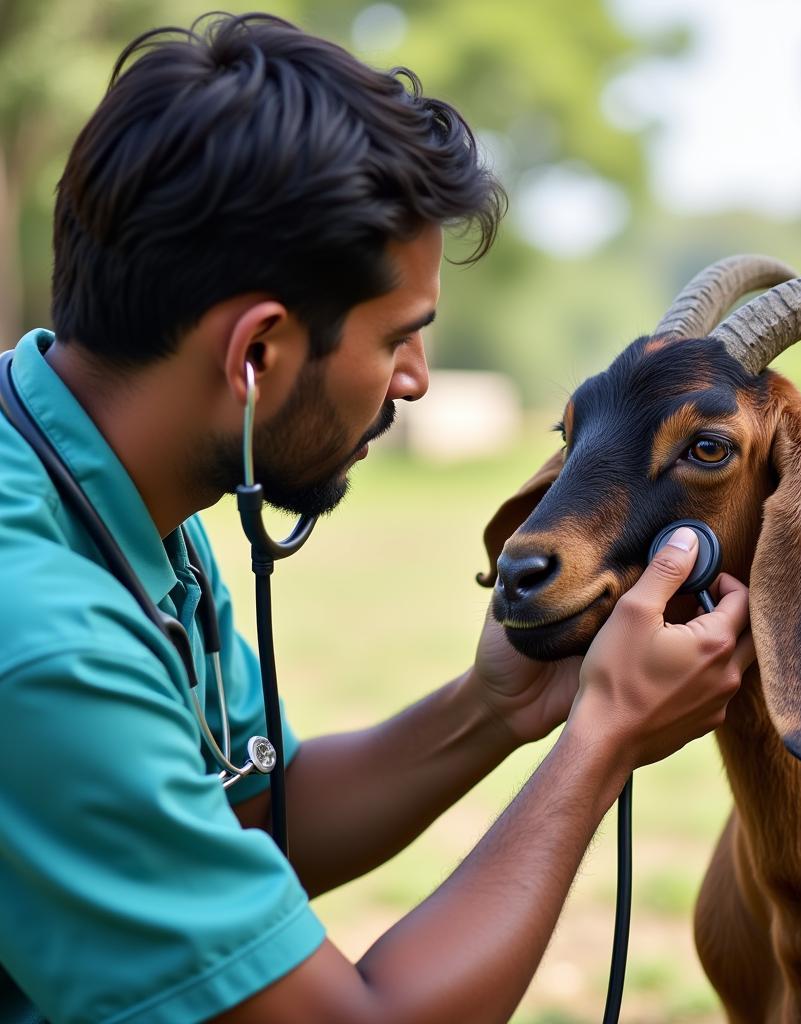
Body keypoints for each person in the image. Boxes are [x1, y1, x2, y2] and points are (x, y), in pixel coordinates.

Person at [0, 12, 754, 1023]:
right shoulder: (46, 643)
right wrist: (601, 740)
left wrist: (496, 708)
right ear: (257, 354)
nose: (416, 380)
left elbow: (255, 819)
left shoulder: (105, 490)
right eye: (399, 337)